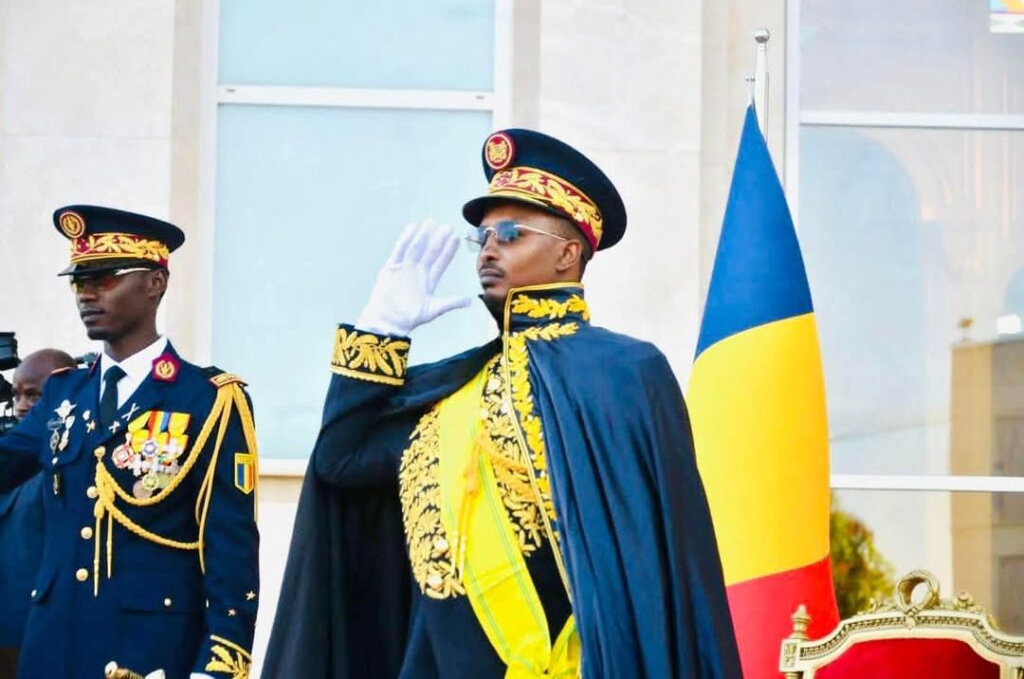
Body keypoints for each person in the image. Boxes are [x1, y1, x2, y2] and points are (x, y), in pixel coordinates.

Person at [263, 129, 741, 678]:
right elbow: (340, 461)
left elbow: (661, 571)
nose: (489, 250)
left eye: (511, 233)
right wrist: (381, 328)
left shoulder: (624, 372)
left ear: (567, 253)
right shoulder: (453, 392)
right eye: (482, 237)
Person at [0, 206, 260, 679]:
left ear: (155, 282)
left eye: (104, 279)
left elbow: (231, 548)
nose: (87, 294)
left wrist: (217, 666)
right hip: (51, 649)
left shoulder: (206, 399)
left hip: (148, 653)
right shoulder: (63, 393)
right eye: (79, 282)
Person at [0, 349, 76, 678]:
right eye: (16, 395)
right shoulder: (10, 457)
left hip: (45, 632)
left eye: (34, 395)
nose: (21, 405)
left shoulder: (71, 465)